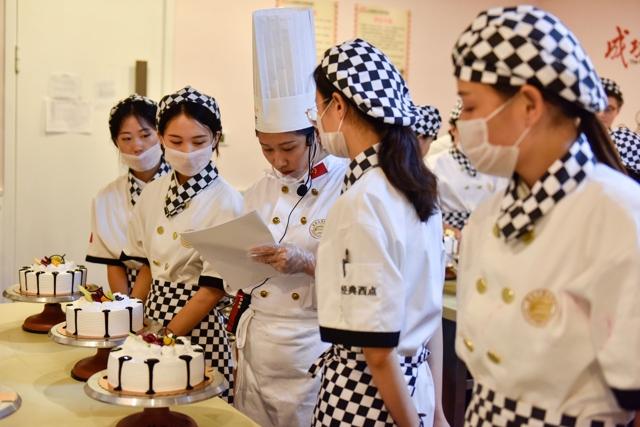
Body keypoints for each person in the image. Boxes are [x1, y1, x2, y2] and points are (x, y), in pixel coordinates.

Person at [451, 5, 640, 425]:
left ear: (529, 105)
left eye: (469, 105)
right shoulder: (488, 215)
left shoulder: (619, 215)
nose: (462, 123)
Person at [310, 38, 447, 427]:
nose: (317, 121)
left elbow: (377, 352)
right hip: (417, 387)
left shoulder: (363, 201)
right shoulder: (418, 188)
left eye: (318, 108)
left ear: (338, 105)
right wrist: (436, 412)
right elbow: (431, 316)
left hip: (366, 397)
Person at [232, 8, 348, 427]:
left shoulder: (347, 184)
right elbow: (235, 277)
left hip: (314, 344)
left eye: (288, 148)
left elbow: (364, 273)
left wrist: (308, 263)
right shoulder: (257, 192)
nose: (278, 161)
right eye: (266, 148)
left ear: (314, 135)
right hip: (259, 345)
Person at [121, 86, 242, 402]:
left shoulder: (227, 201)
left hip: (200, 324)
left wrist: (166, 337)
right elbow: (146, 266)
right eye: (176, 141)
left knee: (196, 408)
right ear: (160, 137)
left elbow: (213, 290)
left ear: (215, 138)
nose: (187, 151)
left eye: (199, 141)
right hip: (152, 316)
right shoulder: (153, 193)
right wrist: (130, 320)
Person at [85, 95, 170, 294]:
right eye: (126, 138)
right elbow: (114, 263)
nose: (137, 146)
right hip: (128, 292)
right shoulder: (106, 198)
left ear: (161, 135)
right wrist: (125, 306)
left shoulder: (181, 186)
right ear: (116, 142)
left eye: (145, 135)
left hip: (175, 290)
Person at [426, 99, 507, 231]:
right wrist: (445, 229)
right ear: (453, 130)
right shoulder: (433, 165)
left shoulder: (498, 167)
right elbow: (425, 214)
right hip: (446, 236)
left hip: (488, 233)